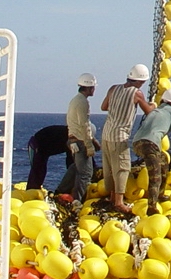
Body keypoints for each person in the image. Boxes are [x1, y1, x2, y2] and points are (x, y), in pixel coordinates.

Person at [100, 65, 154, 213]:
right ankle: (119, 202)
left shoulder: (113, 89)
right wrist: (153, 105)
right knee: (122, 168)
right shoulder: (137, 93)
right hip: (120, 137)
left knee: (109, 167)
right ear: (141, 81)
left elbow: (104, 107)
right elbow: (148, 111)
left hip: (106, 134)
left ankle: (111, 197)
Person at [59, 72, 97, 201]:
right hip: (80, 141)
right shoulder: (83, 102)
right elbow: (84, 125)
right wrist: (89, 145)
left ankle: (61, 191)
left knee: (76, 168)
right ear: (90, 88)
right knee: (85, 174)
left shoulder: (75, 100)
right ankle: (77, 200)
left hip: (73, 139)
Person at [25, 125, 70, 190]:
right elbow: (70, 160)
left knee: (41, 170)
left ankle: (36, 188)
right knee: (37, 170)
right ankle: (31, 191)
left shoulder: (71, 136)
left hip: (45, 149)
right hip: (35, 144)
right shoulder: (71, 137)